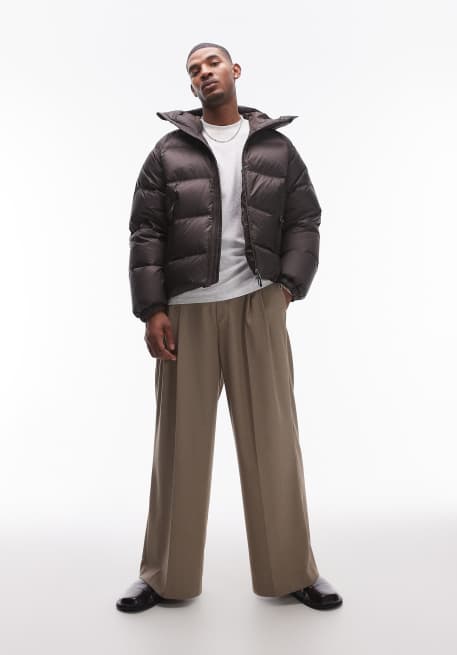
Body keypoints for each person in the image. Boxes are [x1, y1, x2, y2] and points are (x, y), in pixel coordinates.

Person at [116, 42, 342, 613]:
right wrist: (152, 309)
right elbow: (146, 232)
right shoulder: (168, 152)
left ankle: (292, 571)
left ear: (235, 70)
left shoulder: (276, 148)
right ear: (191, 86)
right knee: (179, 447)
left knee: (273, 441)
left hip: (258, 306)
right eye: (194, 70)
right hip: (187, 312)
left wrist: (288, 286)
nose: (204, 73)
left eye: (212, 63)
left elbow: (305, 218)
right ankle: (164, 577)